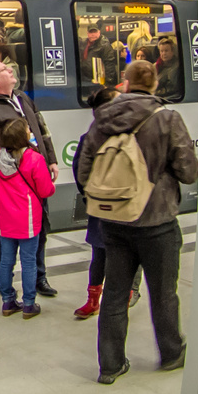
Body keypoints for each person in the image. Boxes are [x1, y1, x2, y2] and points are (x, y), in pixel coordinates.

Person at [75, 60, 198, 384]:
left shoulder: (103, 118)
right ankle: (171, 352)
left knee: (115, 293)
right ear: (155, 84)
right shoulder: (168, 118)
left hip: (113, 221)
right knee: (163, 293)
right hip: (157, 220)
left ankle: (110, 365)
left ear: (125, 84)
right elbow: (189, 171)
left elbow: (84, 168)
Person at [0, 60, 58, 298]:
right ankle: (5, 282)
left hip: (36, 177)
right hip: (16, 186)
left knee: (39, 231)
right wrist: (19, 176)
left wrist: (50, 158)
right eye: (5, 70)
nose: (11, 71)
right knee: (8, 236)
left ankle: (40, 277)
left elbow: (42, 130)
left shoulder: (22, 98)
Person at [71, 86, 143, 318]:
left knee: (124, 253)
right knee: (101, 254)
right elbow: (81, 173)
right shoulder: (94, 139)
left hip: (121, 206)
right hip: (105, 208)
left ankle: (128, 293)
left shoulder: (133, 134)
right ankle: (95, 299)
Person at [0, 118, 55, 319]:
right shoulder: (34, 159)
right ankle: (29, 304)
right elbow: (46, 190)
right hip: (28, 220)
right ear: (23, 136)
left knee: (6, 262)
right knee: (29, 261)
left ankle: (7, 301)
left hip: (5, 220)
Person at [153, 37, 183, 102]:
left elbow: (172, 88)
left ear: (172, 51)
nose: (164, 53)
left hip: (168, 98)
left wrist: (154, 93)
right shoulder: (155, 66)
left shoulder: (177, 66)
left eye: (166, 51)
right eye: (161, 51)